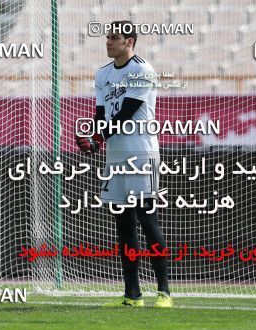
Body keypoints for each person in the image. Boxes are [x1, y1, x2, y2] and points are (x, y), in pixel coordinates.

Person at [75, 20, 172, 308]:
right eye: (107, 37)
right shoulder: (103, 73)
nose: (107, 42)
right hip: (115, 157)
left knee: (147, 219)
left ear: (129, 41)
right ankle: (132, 295)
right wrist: (94, 140)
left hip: (141, 154)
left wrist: (99, 137)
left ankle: (164, 292)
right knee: (124, 225)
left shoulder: (142, 70)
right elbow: (102, 113)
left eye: (113, 38)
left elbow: (128, 112)